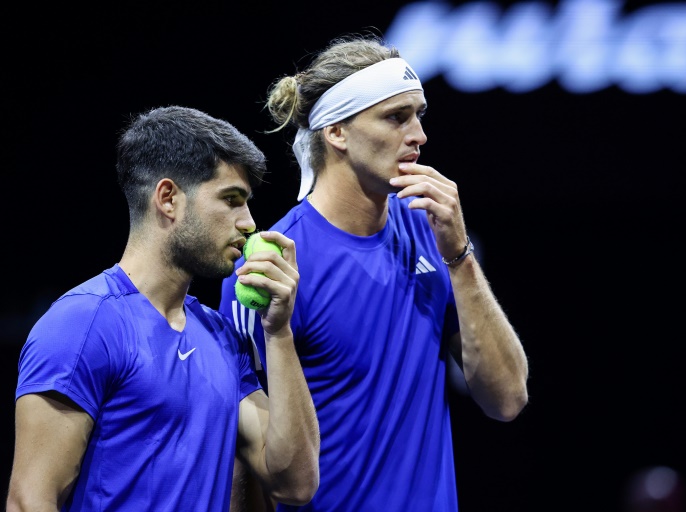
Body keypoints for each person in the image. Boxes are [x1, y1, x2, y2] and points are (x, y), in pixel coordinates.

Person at [219, 33, 529, 511]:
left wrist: (461, 256)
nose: (419, 135)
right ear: (337, 133)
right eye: (396, 117)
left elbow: (506, 398)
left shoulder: (432, 231)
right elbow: (249, 463)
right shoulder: (268, 267)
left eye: (419, 115)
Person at [7, 106, 320, 512]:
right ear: (168, 199)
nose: (249, 224)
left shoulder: (224, 337)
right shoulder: (81, 325)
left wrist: (278, 332)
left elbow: (295, 484)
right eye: (231, 200)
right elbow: (30, 501)